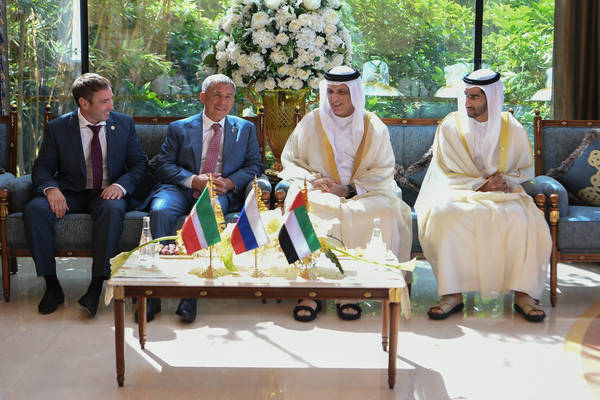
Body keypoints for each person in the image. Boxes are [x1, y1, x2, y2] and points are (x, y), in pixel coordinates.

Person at [414, 69, 552, 322]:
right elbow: (446, 171)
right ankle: (451, 294)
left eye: (475, 97)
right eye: (466, 95)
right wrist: (480, 185)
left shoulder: (513, 128)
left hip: (504, 194)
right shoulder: (450, 126)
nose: (467, 102)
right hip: (458, 192)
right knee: (444, 216)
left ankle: (523, 294)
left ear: (492, 97)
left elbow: (525, 169)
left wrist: (506, 181)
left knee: (522, 219)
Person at [279, 66, 413, 322]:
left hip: (364, 192)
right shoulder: (312, 121)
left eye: (342, 92)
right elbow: (291, 160)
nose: (335, 98)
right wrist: (314, 180)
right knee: (307, 207)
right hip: (320, 190)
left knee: (384, 210)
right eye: (330, 91)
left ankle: (353, 291)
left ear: (355, 93)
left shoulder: (373, 126)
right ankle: (310, 290)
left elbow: (383, 171)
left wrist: (349, 189)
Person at [142, 73, 263, 323]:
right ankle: (154, 291)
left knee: (211, 209)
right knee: (160, 210)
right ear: (202, 97)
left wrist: (230, 183)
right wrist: (193, 180)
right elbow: (163, 165)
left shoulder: (245, 129)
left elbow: (254, 166)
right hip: (180, 187)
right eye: (217, 95)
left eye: (229, 96)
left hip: (219, 190)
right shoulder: (180, 128)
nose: (223, 102)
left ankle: (191, 294)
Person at [24, 73, 148, 317]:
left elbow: (139, 165)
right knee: (35, 210)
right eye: (104, 101)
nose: (111, 106)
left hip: (107, 192)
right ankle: (52, 286)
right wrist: (51, 189)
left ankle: (95, 287)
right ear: (84, 103)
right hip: (70, 191)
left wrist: (121, 186)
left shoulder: (123, 124)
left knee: (112, 210)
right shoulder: (59, 128)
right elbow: (42, 168)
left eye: (111, 99)